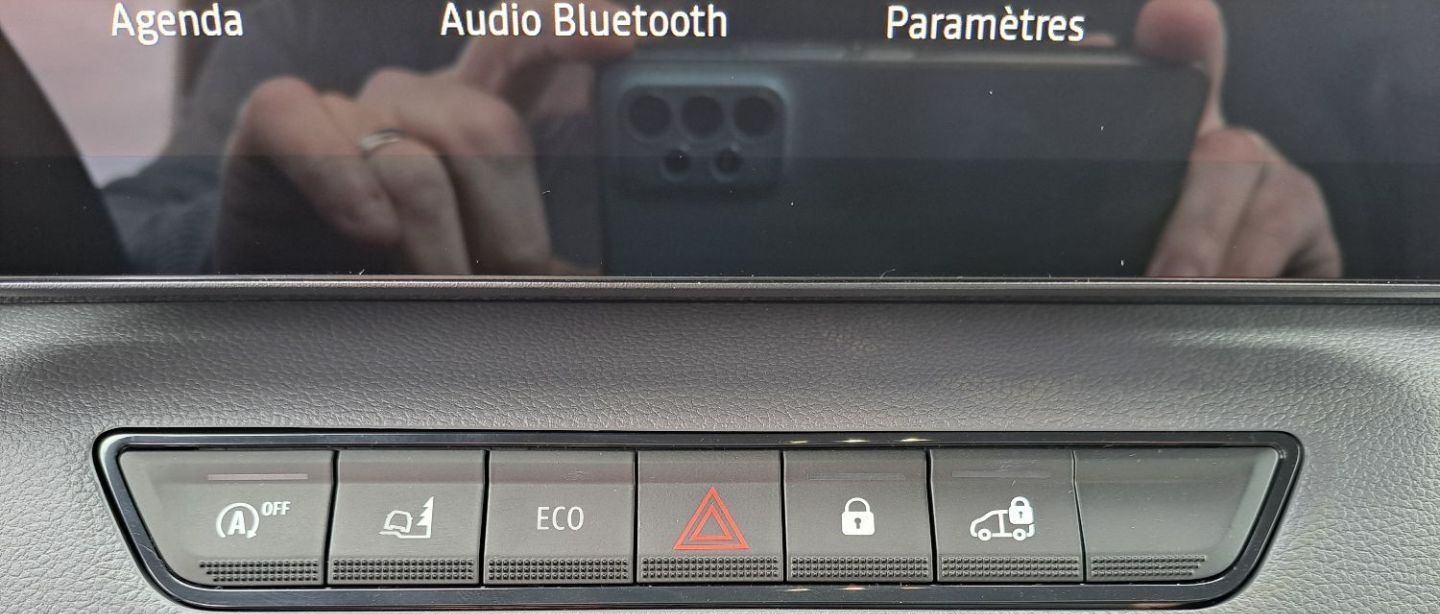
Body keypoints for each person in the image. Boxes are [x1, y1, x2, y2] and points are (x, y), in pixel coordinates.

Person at [103, 0, 1340, 278]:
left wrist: (1273, 313)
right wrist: (256, 271)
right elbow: (96, 252)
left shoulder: (1128, 25)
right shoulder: (346, 16)